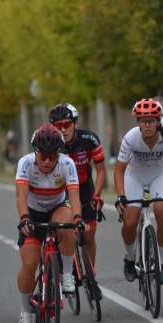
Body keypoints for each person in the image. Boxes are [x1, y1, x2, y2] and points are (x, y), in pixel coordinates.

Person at [15, 124, 85, 323]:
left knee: (68, 222)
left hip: (57, 208)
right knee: (29, 263)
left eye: (52, 156)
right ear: (35, 153)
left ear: (59, 154)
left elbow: (74, 196)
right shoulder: (26, 163)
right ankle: (25, 311)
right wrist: (24, 218)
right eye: (43, 156)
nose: (47, 161)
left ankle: (67, 272)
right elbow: (20, 196)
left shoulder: (67, 164)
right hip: (33, 213)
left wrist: (79, 218)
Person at [115, 99, 163, 284]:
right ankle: (130, 258)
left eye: (151, 120)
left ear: (158, 121)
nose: (147, 125)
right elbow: (119, 170)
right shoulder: (131, 137)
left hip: (160, 174)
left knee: (162, 213)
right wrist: (121, 196)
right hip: (134, 175)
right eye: (143, 121)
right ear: (138, 122)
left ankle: (162, 263)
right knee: (130, 220)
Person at [48, 104, 106, 277]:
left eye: (67, 124)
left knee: (89, 235)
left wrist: (97, 195)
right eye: (58, 126)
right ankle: (63, 265)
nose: (63, 129)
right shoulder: (50, 142)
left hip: (84, 188)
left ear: (76, 123)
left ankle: (90, 275)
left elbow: (101, 170)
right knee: (64, 231)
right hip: (62, 190)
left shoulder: (89, 139)